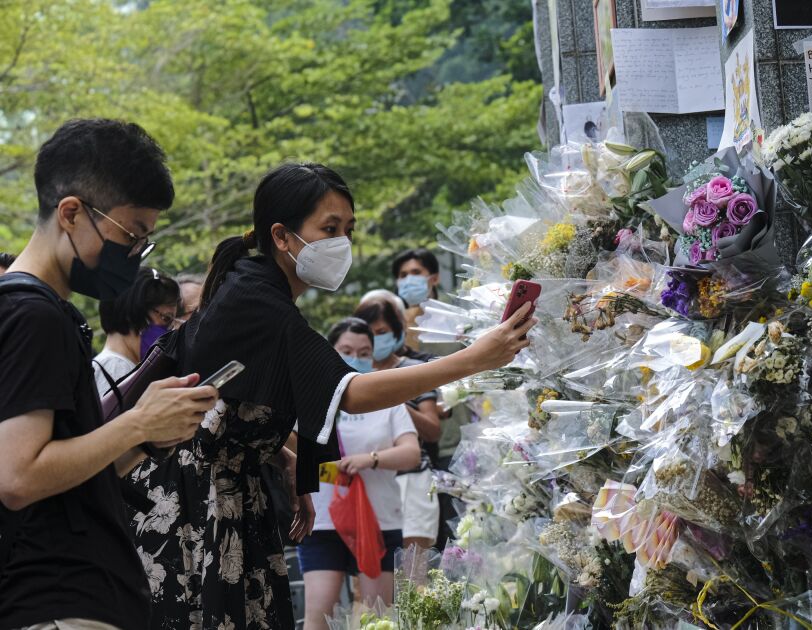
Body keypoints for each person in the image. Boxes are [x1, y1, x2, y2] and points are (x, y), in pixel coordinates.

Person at [123, 162, 534, 628]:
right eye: (330, 228)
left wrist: (285, 457)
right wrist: (473, 359)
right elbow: (351, 392)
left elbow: (228, 406)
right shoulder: (258, 299)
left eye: (348, 230)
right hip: (198, 503)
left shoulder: (255, 290)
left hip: (229, 495)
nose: (342, 243)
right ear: (282, 236)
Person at [0, 118, 218, 630]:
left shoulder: (41, 312)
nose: (136, 253)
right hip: (56, 602)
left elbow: (61, 478)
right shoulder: (34, 315)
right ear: (71, 213)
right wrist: (136, 422)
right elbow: (18, 477)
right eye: (132, 233)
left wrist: (145, 437)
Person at [299, 318, 420, 630]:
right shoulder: (309, 398)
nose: (355, 358)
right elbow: (291, 453)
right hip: (322, 520)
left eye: (364, 353)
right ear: (329, 351)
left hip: (377, 521)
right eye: (346, 351)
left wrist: (371, 459)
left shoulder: (387, 400)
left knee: (377, 617)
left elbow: (411, 453)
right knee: (318, 616)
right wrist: (330, 468)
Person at [354, 290, 441, 553]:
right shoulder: (352, 378)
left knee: (412, 569)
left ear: (396, 332)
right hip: (365, 481)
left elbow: (433, 430)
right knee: (371, 568)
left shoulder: (415, 371)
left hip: (412, 482)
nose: (374, 339)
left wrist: (396, 403)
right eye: (368, 333)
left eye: (381, 332)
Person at [93, 267, 181, 396]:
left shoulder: (122, 366)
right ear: (135, 311)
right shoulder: (116, 368)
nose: (169, 329)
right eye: (166, 318)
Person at [392, 248, 440, 350]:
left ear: (435, 279)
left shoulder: (452, 322)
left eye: (416, 272)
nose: (409, 280)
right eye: (403, 275)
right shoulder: (390, 326)